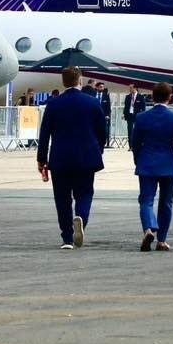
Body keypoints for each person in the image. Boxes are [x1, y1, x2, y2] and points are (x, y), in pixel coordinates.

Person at [36, 66, 107, 250]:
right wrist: (98, 150)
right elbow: (102, 132)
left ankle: (67, 238)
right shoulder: (92, 103)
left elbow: (44, 134)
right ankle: (81, 218)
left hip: (60, 158)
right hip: (86, 157)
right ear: (80, 80)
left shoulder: (54, 104)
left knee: (62, 198)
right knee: (85, 193)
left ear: (63, 82)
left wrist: (41, 159)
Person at [131, 83, 173, 252]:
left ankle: (149, 229)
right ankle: (162, 240)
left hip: (147, 163)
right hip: (168, 165)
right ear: (169, 97)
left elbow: (135, 143)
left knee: (146, 200)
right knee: (166, 202)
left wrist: (138, 160)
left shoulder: (141, 118)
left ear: (152, 96)